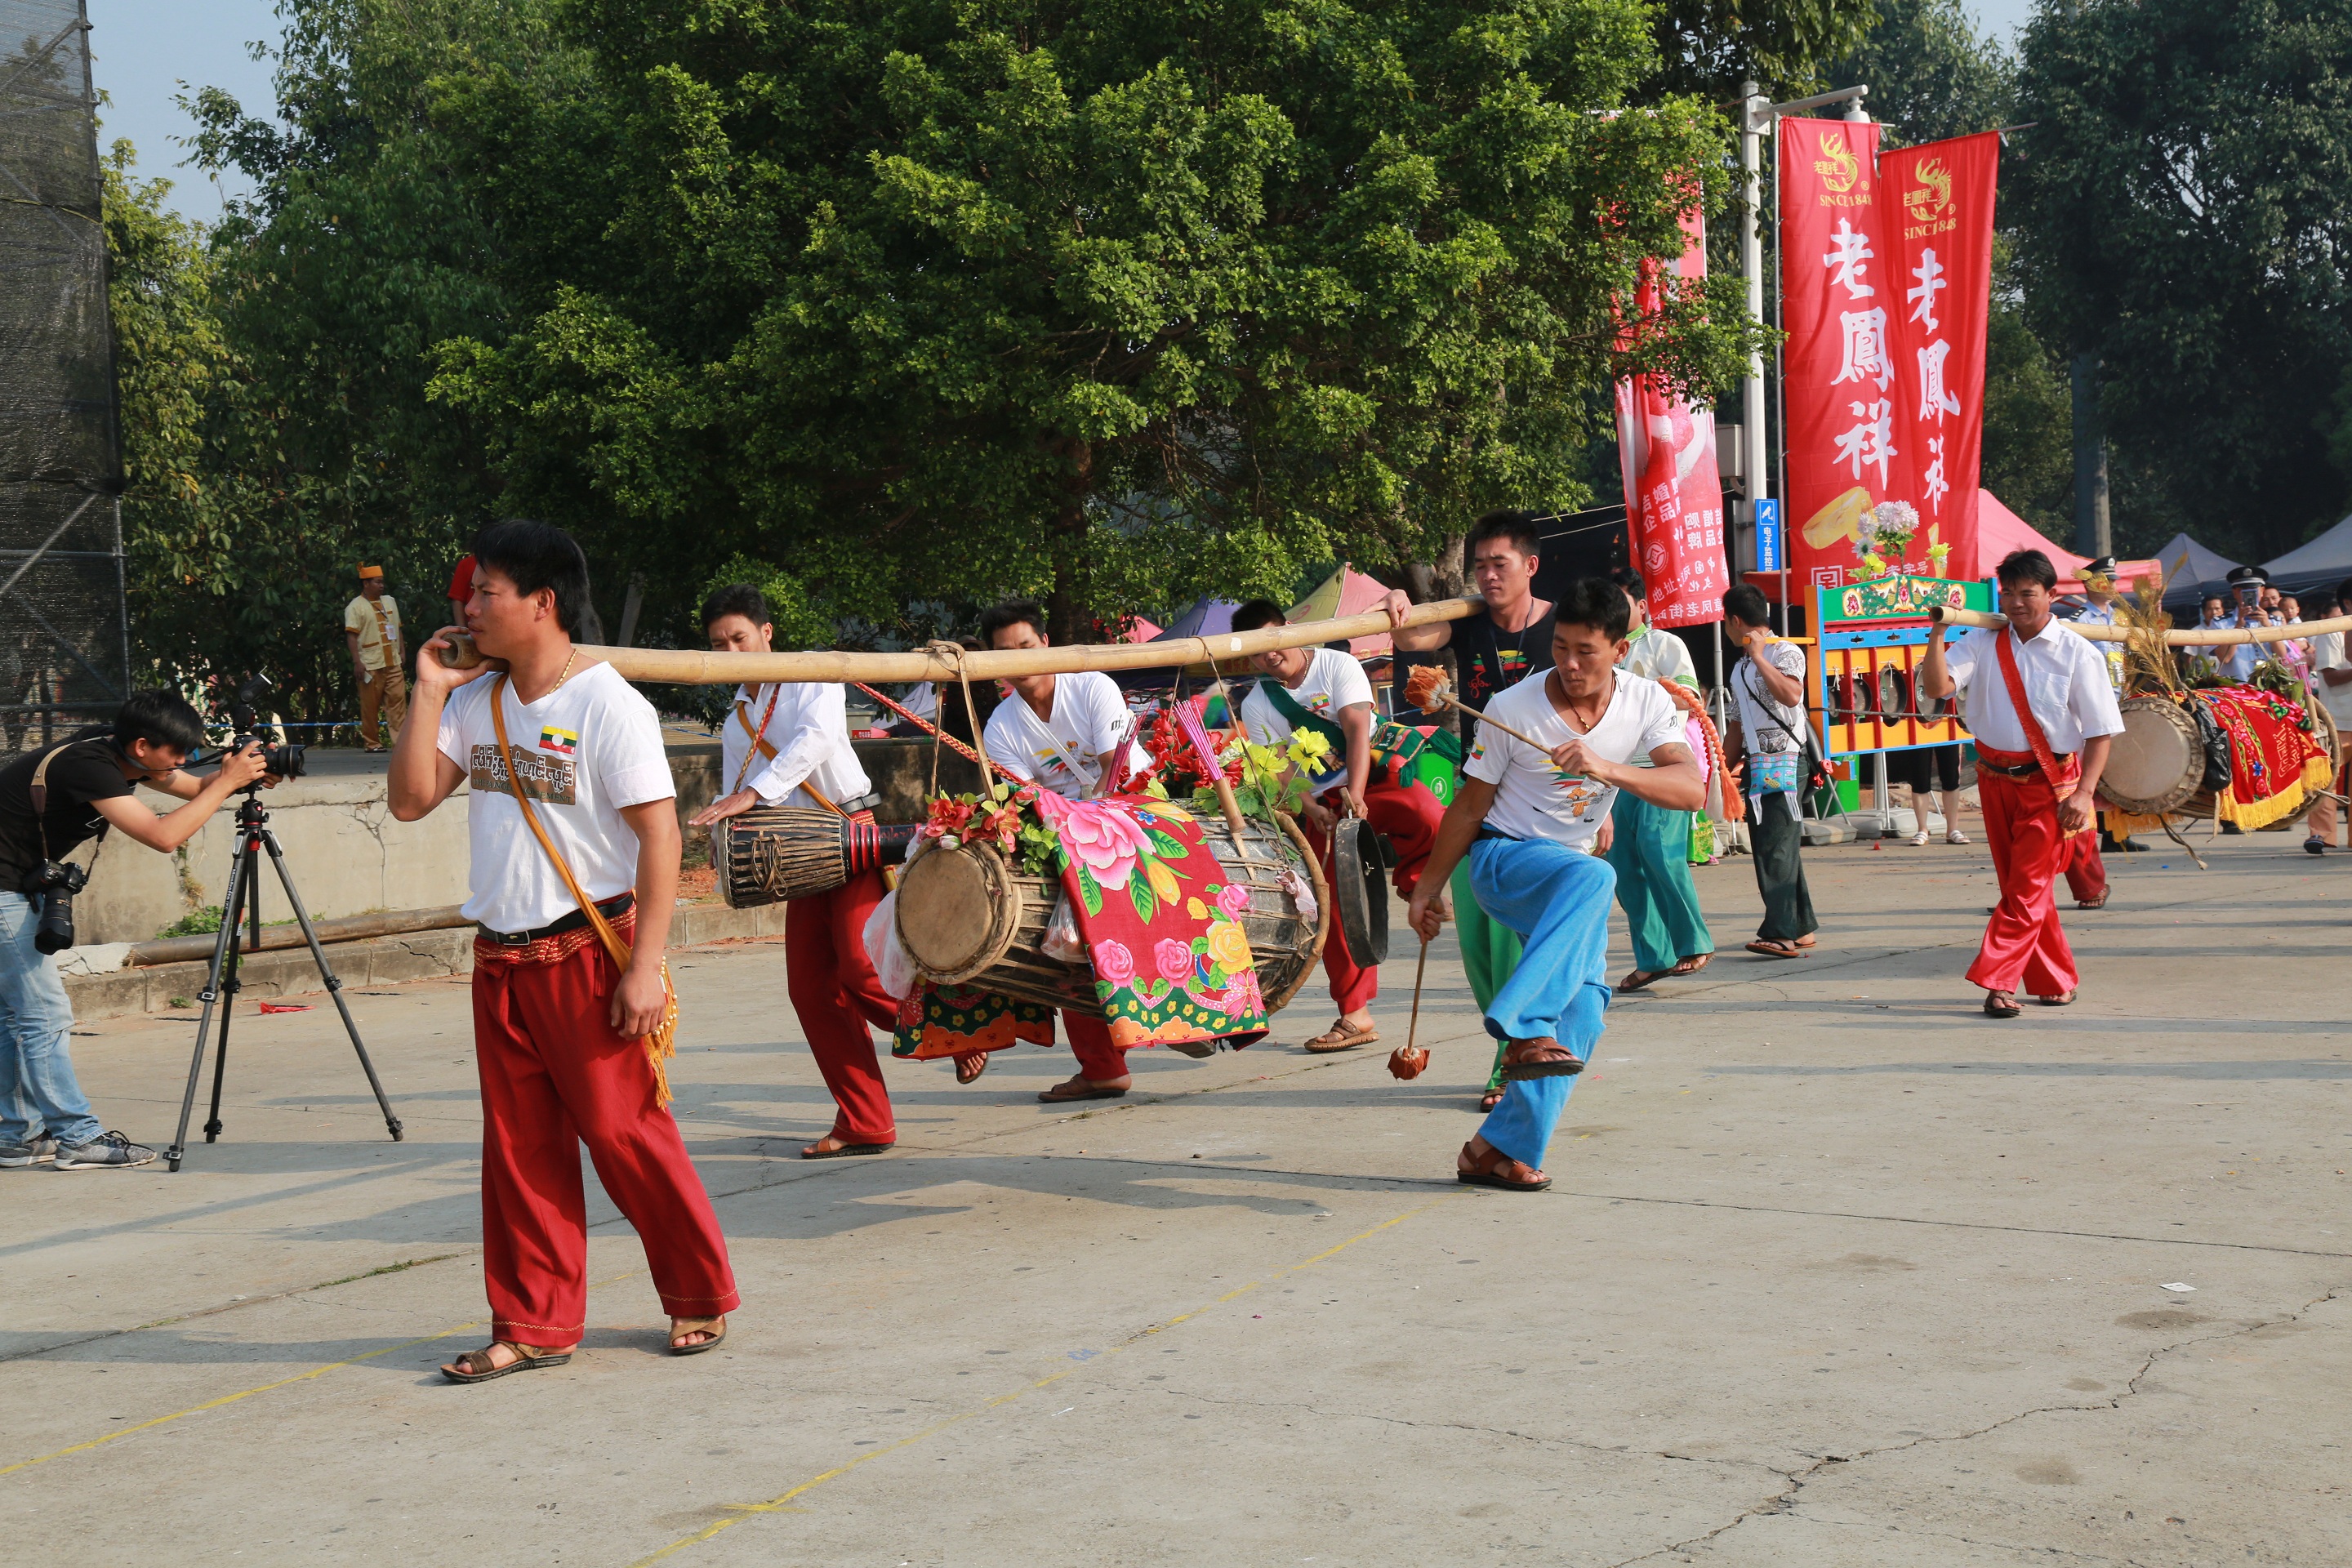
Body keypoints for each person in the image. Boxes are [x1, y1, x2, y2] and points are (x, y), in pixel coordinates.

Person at [392, 519, 736, 1382]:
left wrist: (646, 966)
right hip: (500, 958)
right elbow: (408, 801)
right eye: (470, 596)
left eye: (486, 593)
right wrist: (427, 689)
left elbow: (661, 839)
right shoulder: (475, 701)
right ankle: (534, 1323)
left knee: (625, 1132)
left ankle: (697, 1292)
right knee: (519, 1149)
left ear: (542, 603)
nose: (469, 609)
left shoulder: (607, 702)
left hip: (590, 950)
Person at [1405, 578, 1704, 1192]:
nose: (1570, 663)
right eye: (1561, 647)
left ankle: (1496, 1148)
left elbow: (1691, 787)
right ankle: (1524, 1027)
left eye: (1586, 651)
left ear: (1620, 649)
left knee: (1588, 1014)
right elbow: (1468, 806)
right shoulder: (1513, 707)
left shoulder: (1647, 701)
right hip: (1504, 862)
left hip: (1570, 881)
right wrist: (1426, 888)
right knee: (1596, 873)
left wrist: (1608, 768)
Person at [0, 693, 275, 1169]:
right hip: (4, 888)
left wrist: (242, 775)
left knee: (17, 1017)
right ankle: (77, 1137)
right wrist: (224, 784)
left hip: (14, 884)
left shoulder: (119, 751)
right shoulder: (90, 764)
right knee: (43, 1016)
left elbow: (195, 788)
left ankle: (15, 1136)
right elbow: (163, 836)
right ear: (143, 746)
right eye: (176, 752)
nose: (184, 761)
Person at [687, 585, 908, 1145]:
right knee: (810, 989)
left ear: (766, 633)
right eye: (719, 644)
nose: (731, 652)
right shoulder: (738, 716)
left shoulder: (814, 674)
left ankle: (947, 1028)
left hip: (849, 832)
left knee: (860, 969)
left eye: (740, 638)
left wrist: (754, 792)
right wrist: (726, 837)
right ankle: (865, 1120)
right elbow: (735, 790)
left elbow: (816, 740)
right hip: (798, 855)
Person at [1380, 510, 1555, 1107]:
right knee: (1478, 938)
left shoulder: (1561, 629)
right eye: (1479, 564)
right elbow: (1413, 641)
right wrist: (1398, 606)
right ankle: (1517, 1048)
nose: (1486, 575)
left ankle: (1513, 1059)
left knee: (1514, 939)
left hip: (1546, 801)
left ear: (1529, 566)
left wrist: (1599, 805)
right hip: (1476, 794)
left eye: (1497, 564)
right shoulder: (1468, 617)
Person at [1918, 548, 2124, 1019]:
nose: (2015, 603)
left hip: (2050, 787)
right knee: (2022, 887)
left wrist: (2086, 792)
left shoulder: (2079, 654)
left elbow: (2100, 731)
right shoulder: (1983, 640)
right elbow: (1937, 688)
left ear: (2051, 595)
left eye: (2027, 593)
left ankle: (1999, 982)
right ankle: (2055, 979)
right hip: (1993, 782)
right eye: (2007, 593)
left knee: (2027, 886)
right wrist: (1937, 634)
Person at [1230, 599, 1444, 1052]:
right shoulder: (1256, 703)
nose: (1269, 657)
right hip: (1321, 805)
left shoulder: (1337, 665)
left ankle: (1415, 886)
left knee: (1426, 811)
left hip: (1371, 780)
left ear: (1288, 631)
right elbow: (1278, 770)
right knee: (1337, 906)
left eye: (1273, 643)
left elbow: (1356, 732)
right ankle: (1356, 1014)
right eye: (1256, 652)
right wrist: (1311, 809)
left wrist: (1359, 797)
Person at [978, 601, 1151, 1103]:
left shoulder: (1093, 685)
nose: (1018, 659)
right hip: (1063, 837)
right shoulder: (1000, 728)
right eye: (1003, 653)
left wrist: (1086, 826)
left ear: (1045, 642)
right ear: (991, 663)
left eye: (1026, 647)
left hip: (1129, 810)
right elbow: (1027, 800)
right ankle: (1102, 1068)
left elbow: (1112, 769)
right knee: (1062, 946)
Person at [1600, 568, 1713, 990]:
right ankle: (1653, 956)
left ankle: (1694, 941)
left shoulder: (1666, 644)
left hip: (1661, 768)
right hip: (1615, 774)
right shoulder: (1603, 648)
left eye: (1621, 600)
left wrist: (1633, 690)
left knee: (1657, 849)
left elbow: (1688, 696)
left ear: (1642, 606)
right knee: (1623, 866)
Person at [1721, 584, 1820, 960]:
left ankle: (1780, 934)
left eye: (1726, 621)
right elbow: (1736, 725)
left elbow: (1792, 695)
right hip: (1758, 765)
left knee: (1776, 848)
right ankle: (1802, 926)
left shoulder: (1787, 651)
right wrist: (1720, 772)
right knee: (1775, 846)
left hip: (1788, 761)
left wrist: (1762, 658)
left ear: (1734, 620)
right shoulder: (1739, 666)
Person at [2060, 558, 2143, 855]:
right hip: (2091, 703)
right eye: (2105, 581)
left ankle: (2117, 832)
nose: (2112, 586)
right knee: (2089, 766)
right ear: (2089, 583)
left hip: (2119, 696)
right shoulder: (2077, 619)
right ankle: (2088, 830)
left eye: (2114, 581)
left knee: (2116, 766)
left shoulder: (2121, 618)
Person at [2301, 578, 2352, 854]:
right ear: (2347, 604)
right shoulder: (2332, 631)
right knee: (2325, 778)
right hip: (2338, 720)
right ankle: (2320, 834)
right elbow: (2331, 678)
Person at [345, 564, 408, 751]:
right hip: (370, 664)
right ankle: (372, 743)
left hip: (393, 661)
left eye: (382, 582)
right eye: (377, 582)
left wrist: (402, 651)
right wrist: (357, 662)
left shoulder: (390, 601)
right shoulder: (355, 607)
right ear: (366, 583)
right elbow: (351, 636)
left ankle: (401, 743)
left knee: (398, 702)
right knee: (369, 707)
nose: (382, 586)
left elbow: (398, 628)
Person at [1888, 743, 1967, 847]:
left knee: (1951, 777)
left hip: (1945, 730)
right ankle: (1922, 830)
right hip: (1919, 731)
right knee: (1920, 778)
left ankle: (1952, 829)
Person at [448, 552, 479, 630]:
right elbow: (457, 599)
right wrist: (462, 631)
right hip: (474, 628)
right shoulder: (467, 564)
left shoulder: (508, 563)